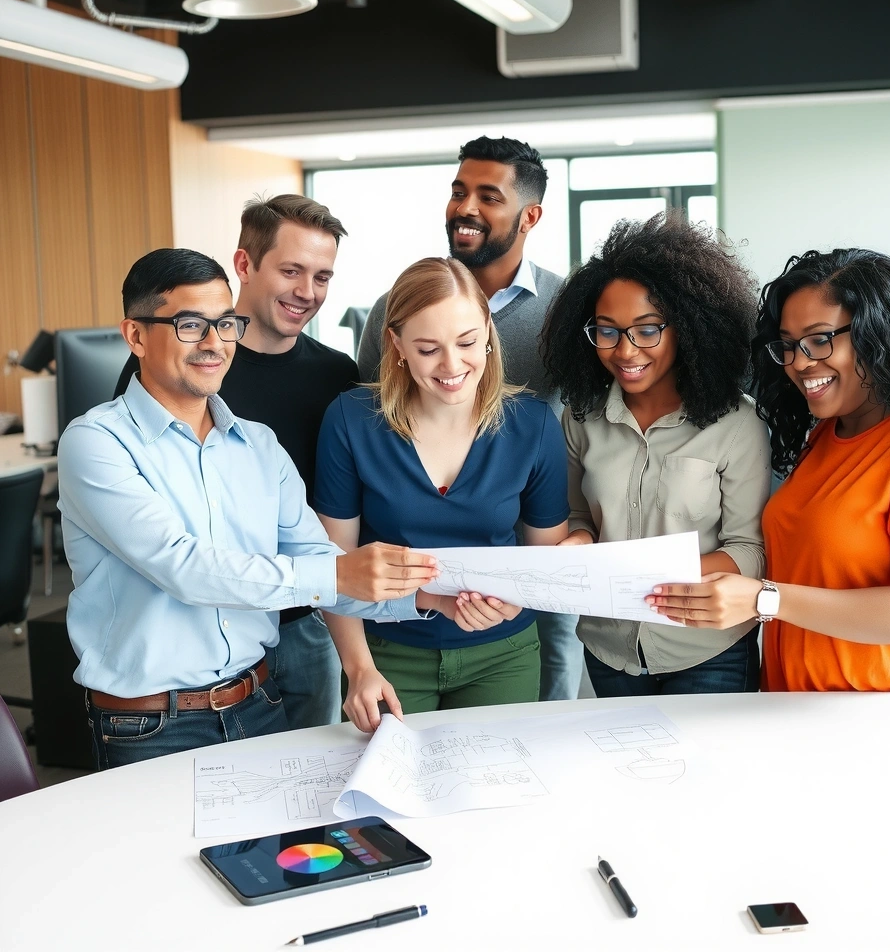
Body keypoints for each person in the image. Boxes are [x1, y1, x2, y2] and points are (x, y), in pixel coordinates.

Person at [60, 248, 441, 768]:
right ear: (136, 336)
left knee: (278, 851)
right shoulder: (95, 442)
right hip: (150, 726)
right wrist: (340, 575)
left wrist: (432, 598)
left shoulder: (259, 445)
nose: (215, 344)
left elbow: (318, 562)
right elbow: (185, 568)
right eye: (191, 325)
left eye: (226, 324)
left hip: (259, 704)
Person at [649, 248, 890, 692]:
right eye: (789, 346)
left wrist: (764, 599)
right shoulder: (828, 435)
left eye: (819, 340)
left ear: (881, 334)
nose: (798, 362)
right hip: (805, 709)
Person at [115, 195, 358, 730]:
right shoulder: (175, 368)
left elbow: (329, 516)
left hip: (308, 619)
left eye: (322, 276)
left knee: (308, 790)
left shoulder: (337, 374)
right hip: (196, 628)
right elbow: (167, 546)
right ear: (244, 265)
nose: (307, 292)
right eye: (291, 270)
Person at [357, 136, 584, 703]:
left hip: (528, 541)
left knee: (541, 714)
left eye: (489, 196)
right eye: (459, 192)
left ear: (530, 216)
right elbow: (375, 421)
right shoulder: (396, 307)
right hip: (416, 561)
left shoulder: (567, 308)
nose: (466, 208)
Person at [317, 256, 569, 732]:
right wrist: (359, 668)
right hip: (387, 653)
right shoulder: (350, 420)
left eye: (468, 342)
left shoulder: (533, 425)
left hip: (504, 652)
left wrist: (516, 600)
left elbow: (546, 560)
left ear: (489, 331)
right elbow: (334, 564)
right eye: (429, 349)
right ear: (397, 346)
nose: (452, 366)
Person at [541, 213, 770, 695]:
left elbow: (748, 551)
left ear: (687, 328)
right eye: (606, 331)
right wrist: (576, 545)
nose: (624, 351)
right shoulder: (580, 419)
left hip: (708, 650)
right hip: (609, 648)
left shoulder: (737, 424)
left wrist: (647, 575)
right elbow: (580, 517)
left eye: (647, 330)